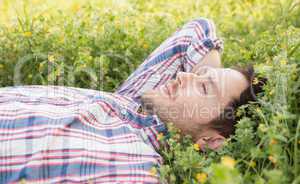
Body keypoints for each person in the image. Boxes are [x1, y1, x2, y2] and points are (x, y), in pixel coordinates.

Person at [0, 18, 263, 183]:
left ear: (212, 141)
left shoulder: (136, 171)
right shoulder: (138, 102)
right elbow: (197, 30)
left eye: (205, 87)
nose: (184, 75)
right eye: (198, 74)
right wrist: (207, 84)